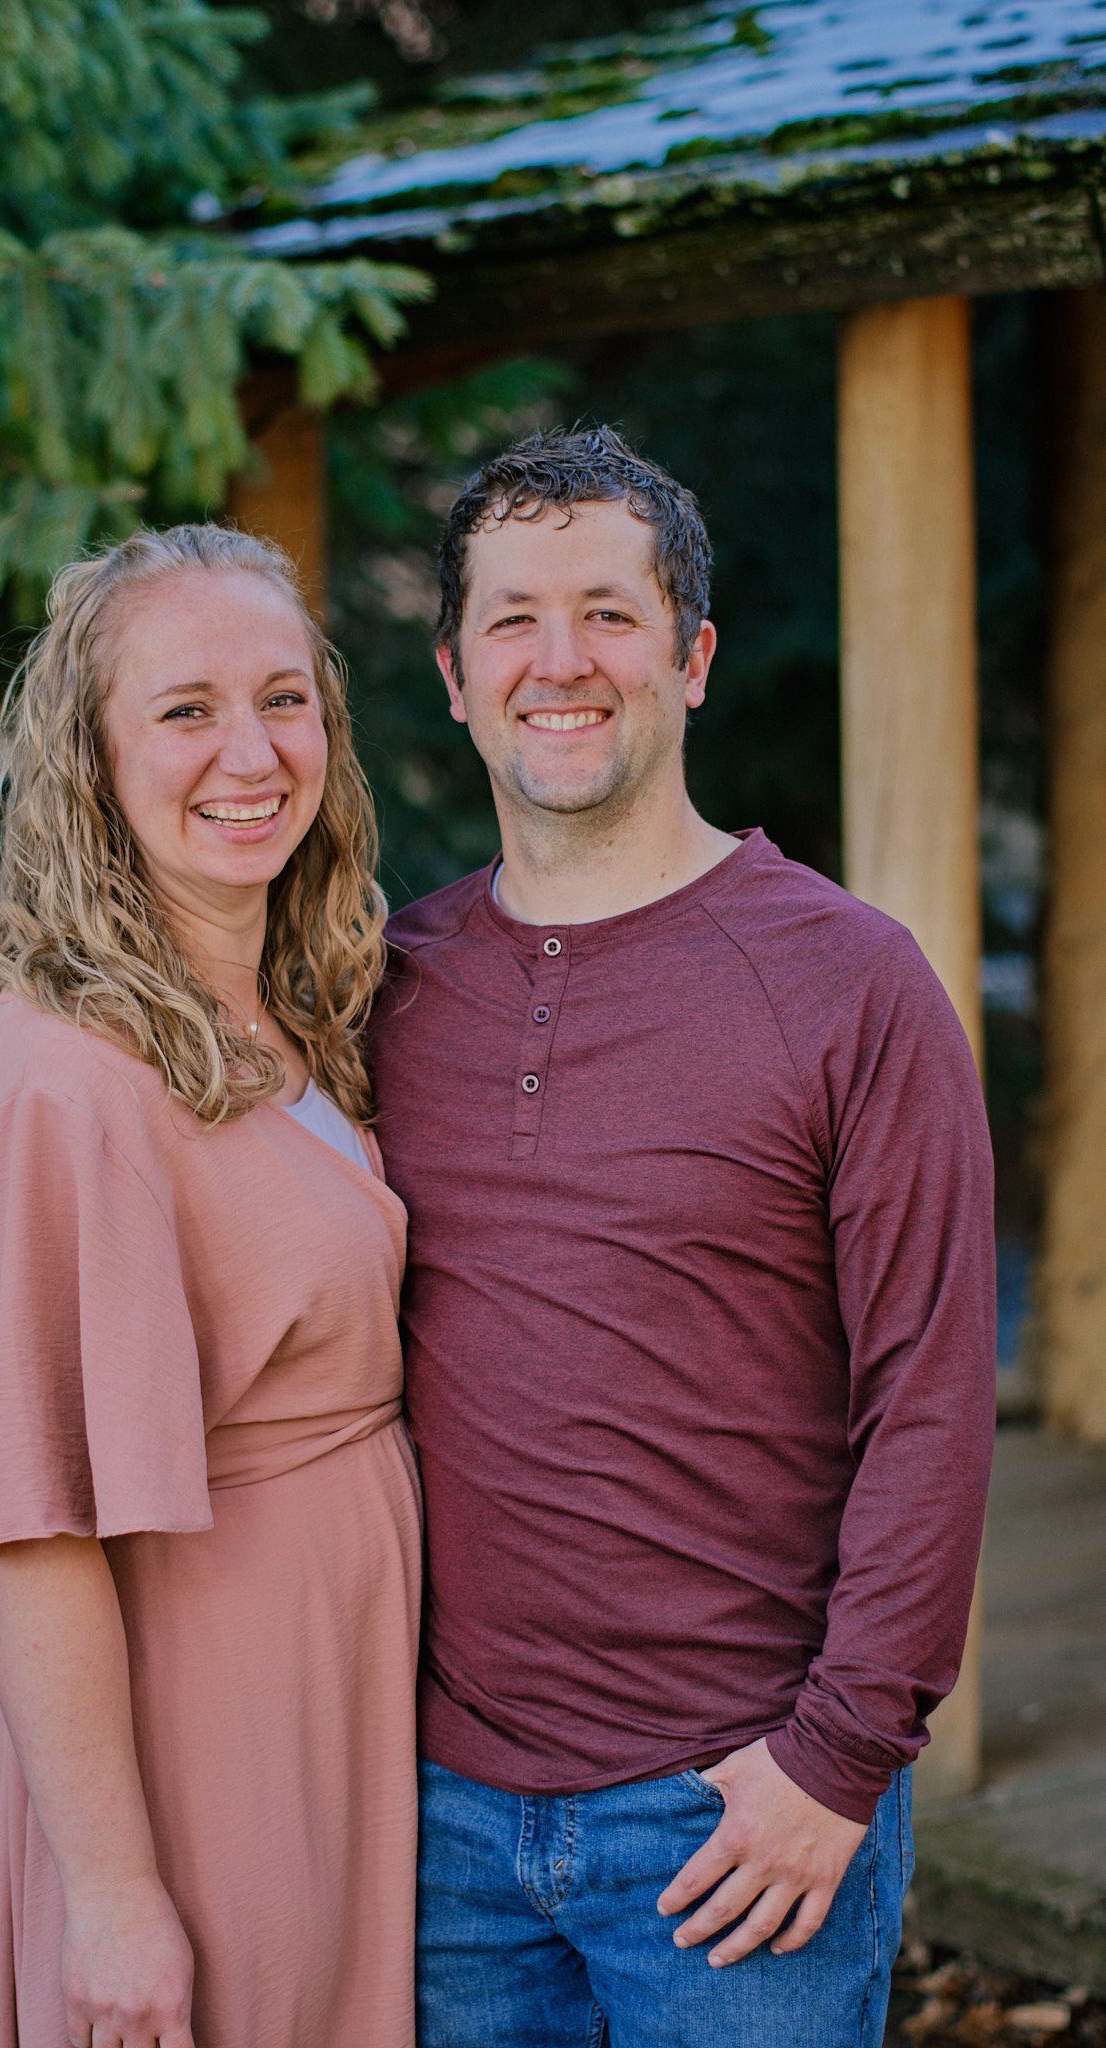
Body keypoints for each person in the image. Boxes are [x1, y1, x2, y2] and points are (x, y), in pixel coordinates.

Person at [369, 426, 996, 2048]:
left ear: (692, 657)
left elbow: (929, 1397)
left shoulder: (850, 982)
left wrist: (837, 1761)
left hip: (735, 1820)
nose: (556, 662)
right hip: (433, 1822)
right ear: (451, 673)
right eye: (510, 619)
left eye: (608, 613)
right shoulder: (381, 986)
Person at [0, 524, 421, 2048]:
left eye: (283, 698)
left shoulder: (289, 1005)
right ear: (91, 757)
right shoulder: (65, 1076)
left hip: (317, 1703)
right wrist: (115, 1893)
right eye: (184, 710)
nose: (248, 752)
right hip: (186, 1735)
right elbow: (31, 1519)